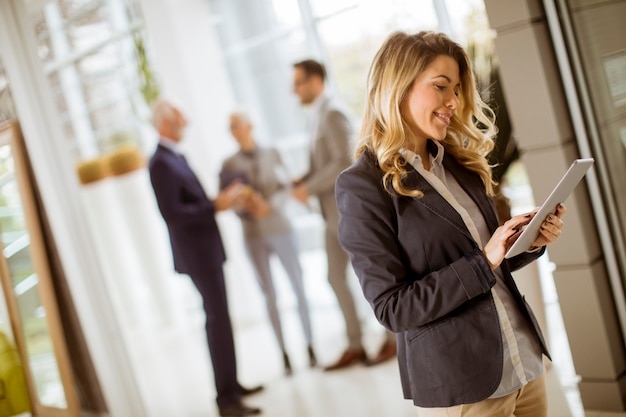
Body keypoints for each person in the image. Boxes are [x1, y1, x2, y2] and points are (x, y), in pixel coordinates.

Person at [335, 30, 567, 417]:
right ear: (398, 88)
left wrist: (530, 240)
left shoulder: (461, 164)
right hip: (468, 380)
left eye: (457, 89)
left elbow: (490, 259)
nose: (453, 102)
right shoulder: (362, 185)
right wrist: (485, 259)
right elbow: (393, 308)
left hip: (523, 359)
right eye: (441, 86)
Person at [148, 99, 263, 417]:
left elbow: (188, 204)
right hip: (197, 254)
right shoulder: (160, 162)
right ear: (165, 124)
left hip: (205, 250)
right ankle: (226, 399)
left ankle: (231, 385)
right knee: (217, 320)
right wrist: (216, 206)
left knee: (221, 319)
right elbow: (173, 214)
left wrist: (218, 201)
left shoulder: (173, 158)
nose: (185, 123)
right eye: (180, 119)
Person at [291, 59, 396, 371]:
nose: (293, 90)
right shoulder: (317, 116)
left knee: (372, 274)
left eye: (298, 83)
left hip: (347, 212)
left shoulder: (333, 113)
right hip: (331, 216)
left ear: (315, 81)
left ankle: (394, 338)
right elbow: (325, 160)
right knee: (334, 277)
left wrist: (308, 187)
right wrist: (303, 179)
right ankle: (355, 344)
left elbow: (344, 161)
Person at [220, 110, 317, 376]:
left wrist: (268, 207)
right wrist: (247, 208)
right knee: (269, 295)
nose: (234, 130)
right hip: (253, 235)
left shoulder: (273, 152)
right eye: (230, 127)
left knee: (298, 286)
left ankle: (310, 346)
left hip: (281, 227)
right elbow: (226, 199)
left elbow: (286, 186)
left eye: (237, 124)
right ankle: (284, 354)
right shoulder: (228, 164)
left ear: (250, 126)